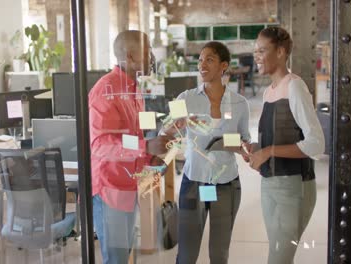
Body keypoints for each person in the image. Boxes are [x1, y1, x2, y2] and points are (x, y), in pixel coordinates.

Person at [88, 30, 171, 264]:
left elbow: (132, 137)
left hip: (129, 184)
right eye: (147, 52)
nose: (152, 57)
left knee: (124, 255)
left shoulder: (135, 90)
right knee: (115, 258)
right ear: (131, 57)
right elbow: (101, 144)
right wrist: (146, 146)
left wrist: (152, 159)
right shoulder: (105, 91)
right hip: (110, 188)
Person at [164, 41, 251, 264]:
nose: (202, 64)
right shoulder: (184, 97)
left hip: (226, 185)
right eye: (200, 60)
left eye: (209, 59)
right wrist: (177, 125)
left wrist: (242, 147)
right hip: (194, 183)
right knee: (186, 255)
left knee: (219, 255)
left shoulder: (240, 103)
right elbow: (165, 132)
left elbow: (245, 142)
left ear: (224, 65)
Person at [248, 26, 325, 264]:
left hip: (293, 186)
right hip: (270, 184)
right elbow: (279, 136)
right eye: (255, 51)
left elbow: (316, 144)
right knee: (279, 254)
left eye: (262, 50)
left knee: (279, 258)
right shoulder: (268, 92)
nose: (256, 56)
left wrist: (269, 151)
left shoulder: (295, 86)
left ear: (280, 52)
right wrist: (256, 149)